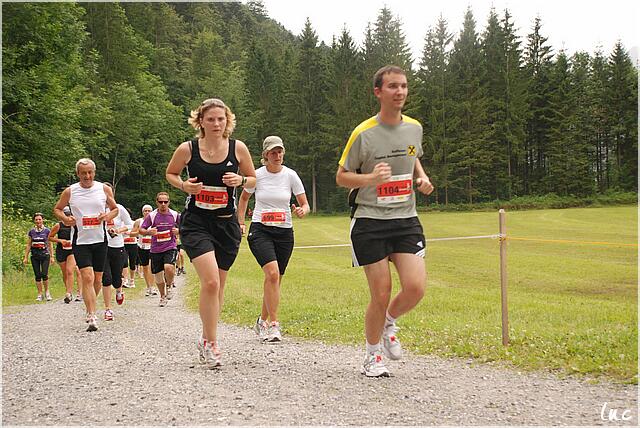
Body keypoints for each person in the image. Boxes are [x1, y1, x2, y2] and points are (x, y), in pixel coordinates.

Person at [336, 65, 435, 377]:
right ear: (378, 92)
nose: (400, 92)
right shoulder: (363, 133)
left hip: (406, 218)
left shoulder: (414, 128)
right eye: (393, 86)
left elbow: (412, 154)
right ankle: (372, 355)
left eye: (404, 86)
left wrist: (422, 176)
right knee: (380, 292)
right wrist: (370, 178)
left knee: (416, 287)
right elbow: (341, 177)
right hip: (369, 220)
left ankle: (389, 322)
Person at [165, 97, 256, 368]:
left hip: (226, 225)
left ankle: (206, 338)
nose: (216, 124)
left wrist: (241, 180)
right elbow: (171, 173)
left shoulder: (238, 149)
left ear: (228, 121)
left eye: (221, 119)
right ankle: (214, 344)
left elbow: (253, 179)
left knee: (219, 287)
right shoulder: (188, 149)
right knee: (211, 282)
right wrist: (183, 186)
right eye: (211, 119)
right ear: (200, 122)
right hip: (196, 223)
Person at [237, 136, 310, 343]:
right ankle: (274, 325)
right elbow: (243, 200)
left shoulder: (291, 175)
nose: (277, 156)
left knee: (274, 280)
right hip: (261, 230)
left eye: (280, 152)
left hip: (284, 232)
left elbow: (305, 204)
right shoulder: (257, 176)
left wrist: (302, 211)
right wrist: (241, 222)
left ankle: (261, 320)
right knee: (272, 273)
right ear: (265, 155)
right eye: (273, 152)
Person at [53, 158, 118, 332]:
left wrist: (107, 217)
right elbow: (57, 209)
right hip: (80, 241)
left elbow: (115, 209)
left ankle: (91, 306)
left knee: (97, 279)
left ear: (94, 173)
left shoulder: (103, 189)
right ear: (78, 174)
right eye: (83, 173)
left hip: (100, 239)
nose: (87, 176)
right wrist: (66, 219)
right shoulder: (70, 191)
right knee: (87, 277)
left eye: (90, 172)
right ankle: (92, 315)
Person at [139, 192, 180, 307]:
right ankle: (162, 296)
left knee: (169, 267)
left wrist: (179, 231)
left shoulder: (174, 214)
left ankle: (170, 286)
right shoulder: (152, 216)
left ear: (169, 202)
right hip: (156, 249)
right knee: (158, 276)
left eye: (165, 202)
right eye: (160, 202)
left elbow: (186, 226)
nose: (163, 204)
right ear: (156, 202)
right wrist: (148, 232)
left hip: (170, 246)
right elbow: (141, 230)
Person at [99, 183, 133, 321]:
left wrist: (118, 231)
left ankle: (119, 291)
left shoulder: (119, 208)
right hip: (102, 246)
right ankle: (108, 309)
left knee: (116, 279)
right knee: (106, 278)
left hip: (117, 245)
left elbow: (130, 224)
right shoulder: (98, 208)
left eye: (109, 193)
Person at [48, 206, 83, 303]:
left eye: (69, 215)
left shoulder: (76, 225)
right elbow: (50, 237)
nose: (68, 218)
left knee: (70, 271)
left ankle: (70, 293)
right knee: (65, 273)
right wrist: (60, 240)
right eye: (66, 215)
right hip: (61, 250)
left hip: (72, 250)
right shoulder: (58, 225)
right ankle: (69, 291)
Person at [23, 212, 54, 301]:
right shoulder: (32, 231)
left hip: (45, 255)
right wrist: (25, 257)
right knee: (37, 275)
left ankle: (47, 292)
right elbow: (29, 244)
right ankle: (40, 294)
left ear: (42, 220)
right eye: (36, 219)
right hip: (35, 255)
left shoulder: (47, 231)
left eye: (39, 219)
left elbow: (50, 244)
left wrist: (52, 256)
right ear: (34, 221)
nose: (38, 221)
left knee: (44, 274)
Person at [134, 204, 156, 297]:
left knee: (152, 267)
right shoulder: (138, 221)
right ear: (142, 212)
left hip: (153, 247)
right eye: (145, 211)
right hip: (142, 247)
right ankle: (148, 287)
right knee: (145, 268)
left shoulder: (155, 220)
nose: (147, 212)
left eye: (149, 211)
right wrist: (139, 231)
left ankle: (153, 287)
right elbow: (132, 233)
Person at [122, 207, 139, 289]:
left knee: (133, 262)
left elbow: (137, 232)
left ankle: (132, 280)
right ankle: (124, 280)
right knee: (124, 262)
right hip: (124, 244)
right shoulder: (120, 224)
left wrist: (129, 233)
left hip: (133, 243)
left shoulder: (133, 223)